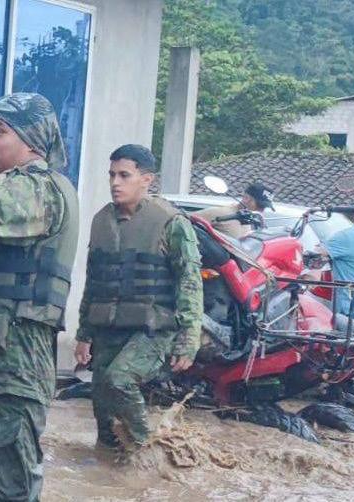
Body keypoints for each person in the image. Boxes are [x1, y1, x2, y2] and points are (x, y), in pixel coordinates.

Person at [0, 93, 79, 501]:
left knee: (3, 489)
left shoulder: (38, 189)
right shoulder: (25, 186)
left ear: (33, 142)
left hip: (14, 366)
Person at [73, 144, 203, 450]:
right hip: (108, 327)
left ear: (146, 179)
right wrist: (83, 334)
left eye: (124, 175)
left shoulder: (172, 223)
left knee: (119, 381)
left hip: (153, 329)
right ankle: (112, 465)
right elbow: (94, 281)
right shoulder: (101, 221)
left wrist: (189, 338)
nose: (115, 183)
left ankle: (149, 452)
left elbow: (190, 282)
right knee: (103, 410)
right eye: (111, 175)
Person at [194, 182, 275, 238]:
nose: (261, 210)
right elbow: (187, 219)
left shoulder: (250, 220)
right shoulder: (222, 212)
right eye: (259, 206)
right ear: (246, 198)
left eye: (264, 207)